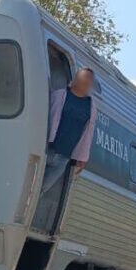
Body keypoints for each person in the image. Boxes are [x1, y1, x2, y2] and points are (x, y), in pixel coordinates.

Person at [41, 67, 98, 195]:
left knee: (42, 189)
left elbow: (88, 133)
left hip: (63, 157)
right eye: (84, 78)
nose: (86, 82)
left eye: (89, 80)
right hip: (46, 148)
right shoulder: (59, 95)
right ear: (75, 79)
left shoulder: (91, 107)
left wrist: (83, 157)